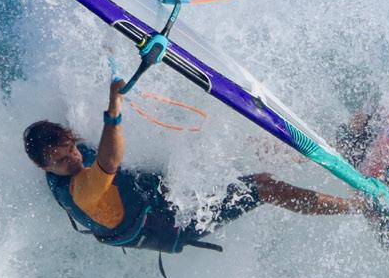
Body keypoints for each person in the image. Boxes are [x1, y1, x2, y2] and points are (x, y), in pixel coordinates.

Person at [25, 74, 367, 261]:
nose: (73, 159)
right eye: (61, 161)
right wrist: (114, 108)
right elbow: (110, 161)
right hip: (170, 223)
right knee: (264, 186)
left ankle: (338, 147)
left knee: (229, 139)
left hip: (153, 195)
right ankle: (360, 207)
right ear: (44, 167)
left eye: (71, 149)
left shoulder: (68, 152)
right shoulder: (82, 191)